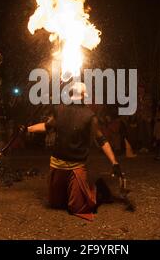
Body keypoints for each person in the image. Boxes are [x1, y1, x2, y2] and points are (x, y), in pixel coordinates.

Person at [25, 82, 122, 221]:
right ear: (83, 96)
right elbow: (47, 126)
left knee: (78, 207)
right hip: (57, 164)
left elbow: (101, 140)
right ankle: (70, 190)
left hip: (76, 167)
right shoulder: (60, 110)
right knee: (55, 204)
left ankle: (98, 189)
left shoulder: (89, 117)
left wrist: (114, 162)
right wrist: (28, 129)